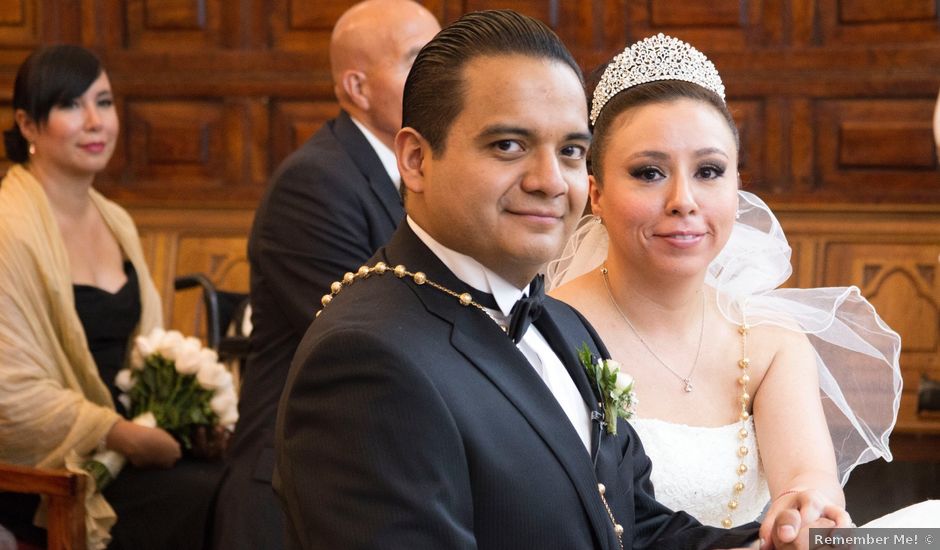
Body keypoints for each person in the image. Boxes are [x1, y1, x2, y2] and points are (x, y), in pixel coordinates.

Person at [276, 10, 845, 549]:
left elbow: (637, 530)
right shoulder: (367, 358)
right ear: (417, 160)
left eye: (571, 150)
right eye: (509, 145)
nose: (550, 181)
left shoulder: (560, 323)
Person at [547, 33, 902, 537]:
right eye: (649, 173)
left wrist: (807, 509)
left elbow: (807, 477)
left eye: (709, 171)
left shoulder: (769, 343)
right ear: (597, 193)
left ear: (736, 186)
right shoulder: (550, 333)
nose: (683, 200)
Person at [212, 1, 440, 548]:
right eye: (417, 60)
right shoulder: (315, 184)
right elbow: (370, 338)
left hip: (375, 472)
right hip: (296, 489)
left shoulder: (428, 178)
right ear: (358, 89)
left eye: (441, 55)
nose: (439, 76)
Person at [0, 45, 225, 549]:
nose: (95, 121)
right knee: (208, 497)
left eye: (103, 102)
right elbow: (9, 396)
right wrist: (119, 434)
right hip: (52, 470)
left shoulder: (116, 221)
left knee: (248, 476)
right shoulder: (8, 229)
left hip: (129, 449)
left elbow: (147, 356)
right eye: (71, 106)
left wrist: (186, 420)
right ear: (28, 125)